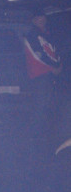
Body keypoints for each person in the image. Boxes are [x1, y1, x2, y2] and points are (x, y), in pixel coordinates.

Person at [23, 8, 62, 148]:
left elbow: (53, 51)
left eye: (43, 17)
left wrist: (58, 64)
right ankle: (33, 136)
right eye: (38, 18)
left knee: (46, 104)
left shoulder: (46, 34)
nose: (42, 20)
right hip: (39, 74)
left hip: (47, 73)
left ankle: (41, 135)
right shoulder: (33, 35)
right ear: (34, 20)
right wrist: (54, 65)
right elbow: (39, 54)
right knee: (40, 105)